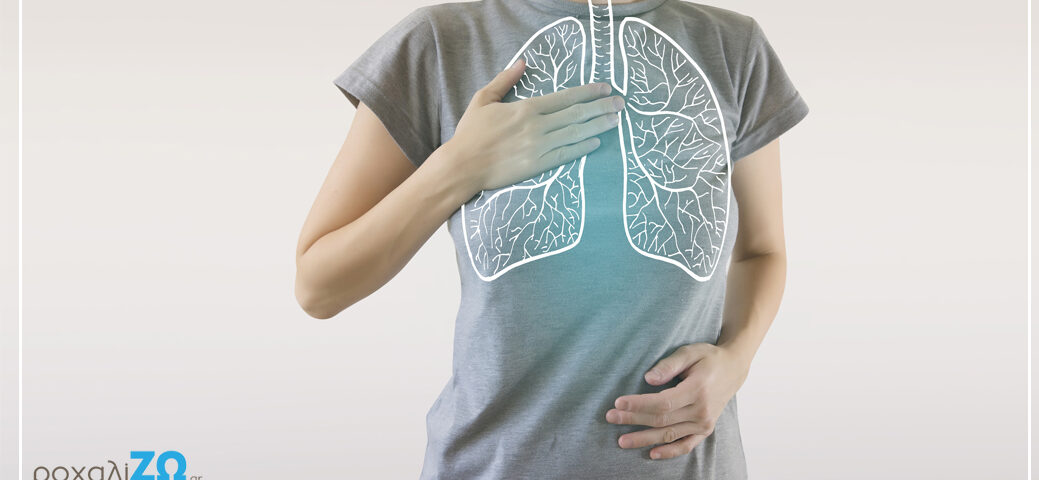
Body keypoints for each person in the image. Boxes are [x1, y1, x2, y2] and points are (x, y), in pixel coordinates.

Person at [295, 0, 809, 477]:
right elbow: (318, 286)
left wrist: (736, 360)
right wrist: (457, 167)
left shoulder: (733, 48)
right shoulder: (440, 43)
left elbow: (762, 251)